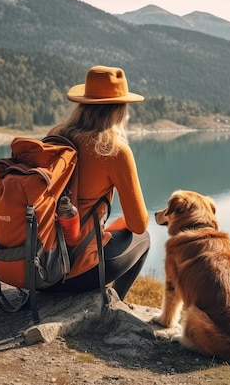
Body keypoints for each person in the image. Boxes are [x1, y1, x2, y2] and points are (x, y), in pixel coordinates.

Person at [40, 65, 150, 300]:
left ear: (82, 104)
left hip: (40, 266)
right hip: (76, 273)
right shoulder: (115, 150)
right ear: (120, 110)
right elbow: (138, 224)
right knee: (144, 238)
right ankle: (114, 305)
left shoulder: (56, 135)